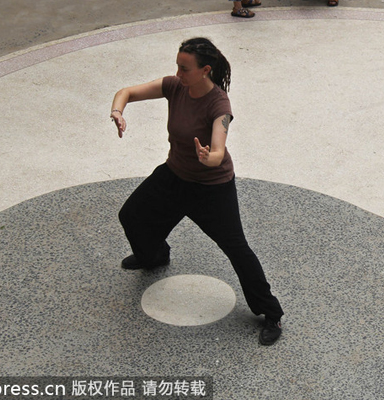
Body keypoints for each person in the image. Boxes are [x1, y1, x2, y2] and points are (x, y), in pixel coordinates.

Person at [110, 37, 284, 346]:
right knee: (131, 215)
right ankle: (154, 256)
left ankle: (271, 313)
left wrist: (208, 157)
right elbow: (127, 92)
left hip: (211, 188)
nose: (178, 73)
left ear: (205, 70)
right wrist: (118, 111)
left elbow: (218, 150)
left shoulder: (219, 105)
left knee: (237, 249)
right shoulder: (175, 86)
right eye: (177, 66)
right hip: (174, 175)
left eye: (184, 68)